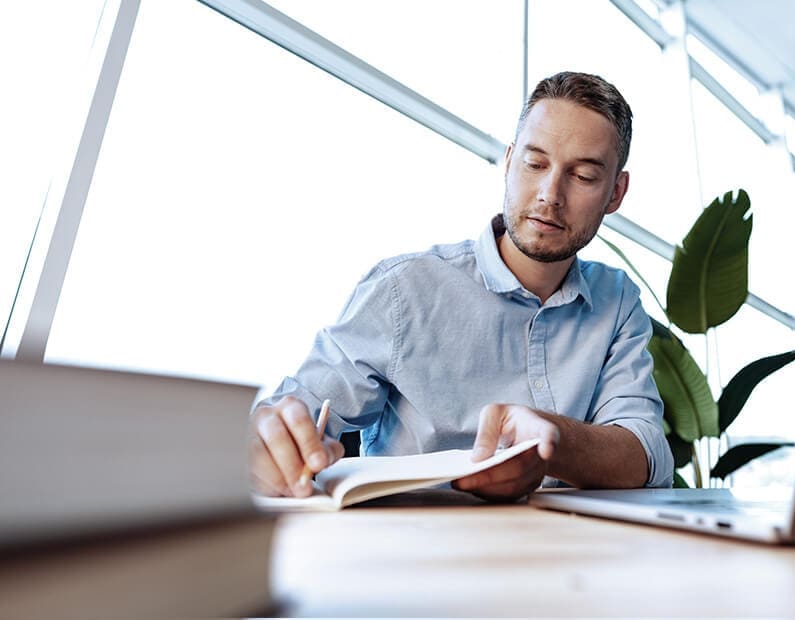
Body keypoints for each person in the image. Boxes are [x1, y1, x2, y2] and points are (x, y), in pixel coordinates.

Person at [250, 71, 673, 501]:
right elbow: (295, 412)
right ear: (508, 162)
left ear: (616, 193)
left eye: (583, 176)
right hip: (413, 554)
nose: (551, 194)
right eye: (535, 163)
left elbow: (646, 452)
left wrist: (551, 444)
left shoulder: (616, 300)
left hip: (566, 555)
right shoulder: (405, 290)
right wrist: (272, 440)